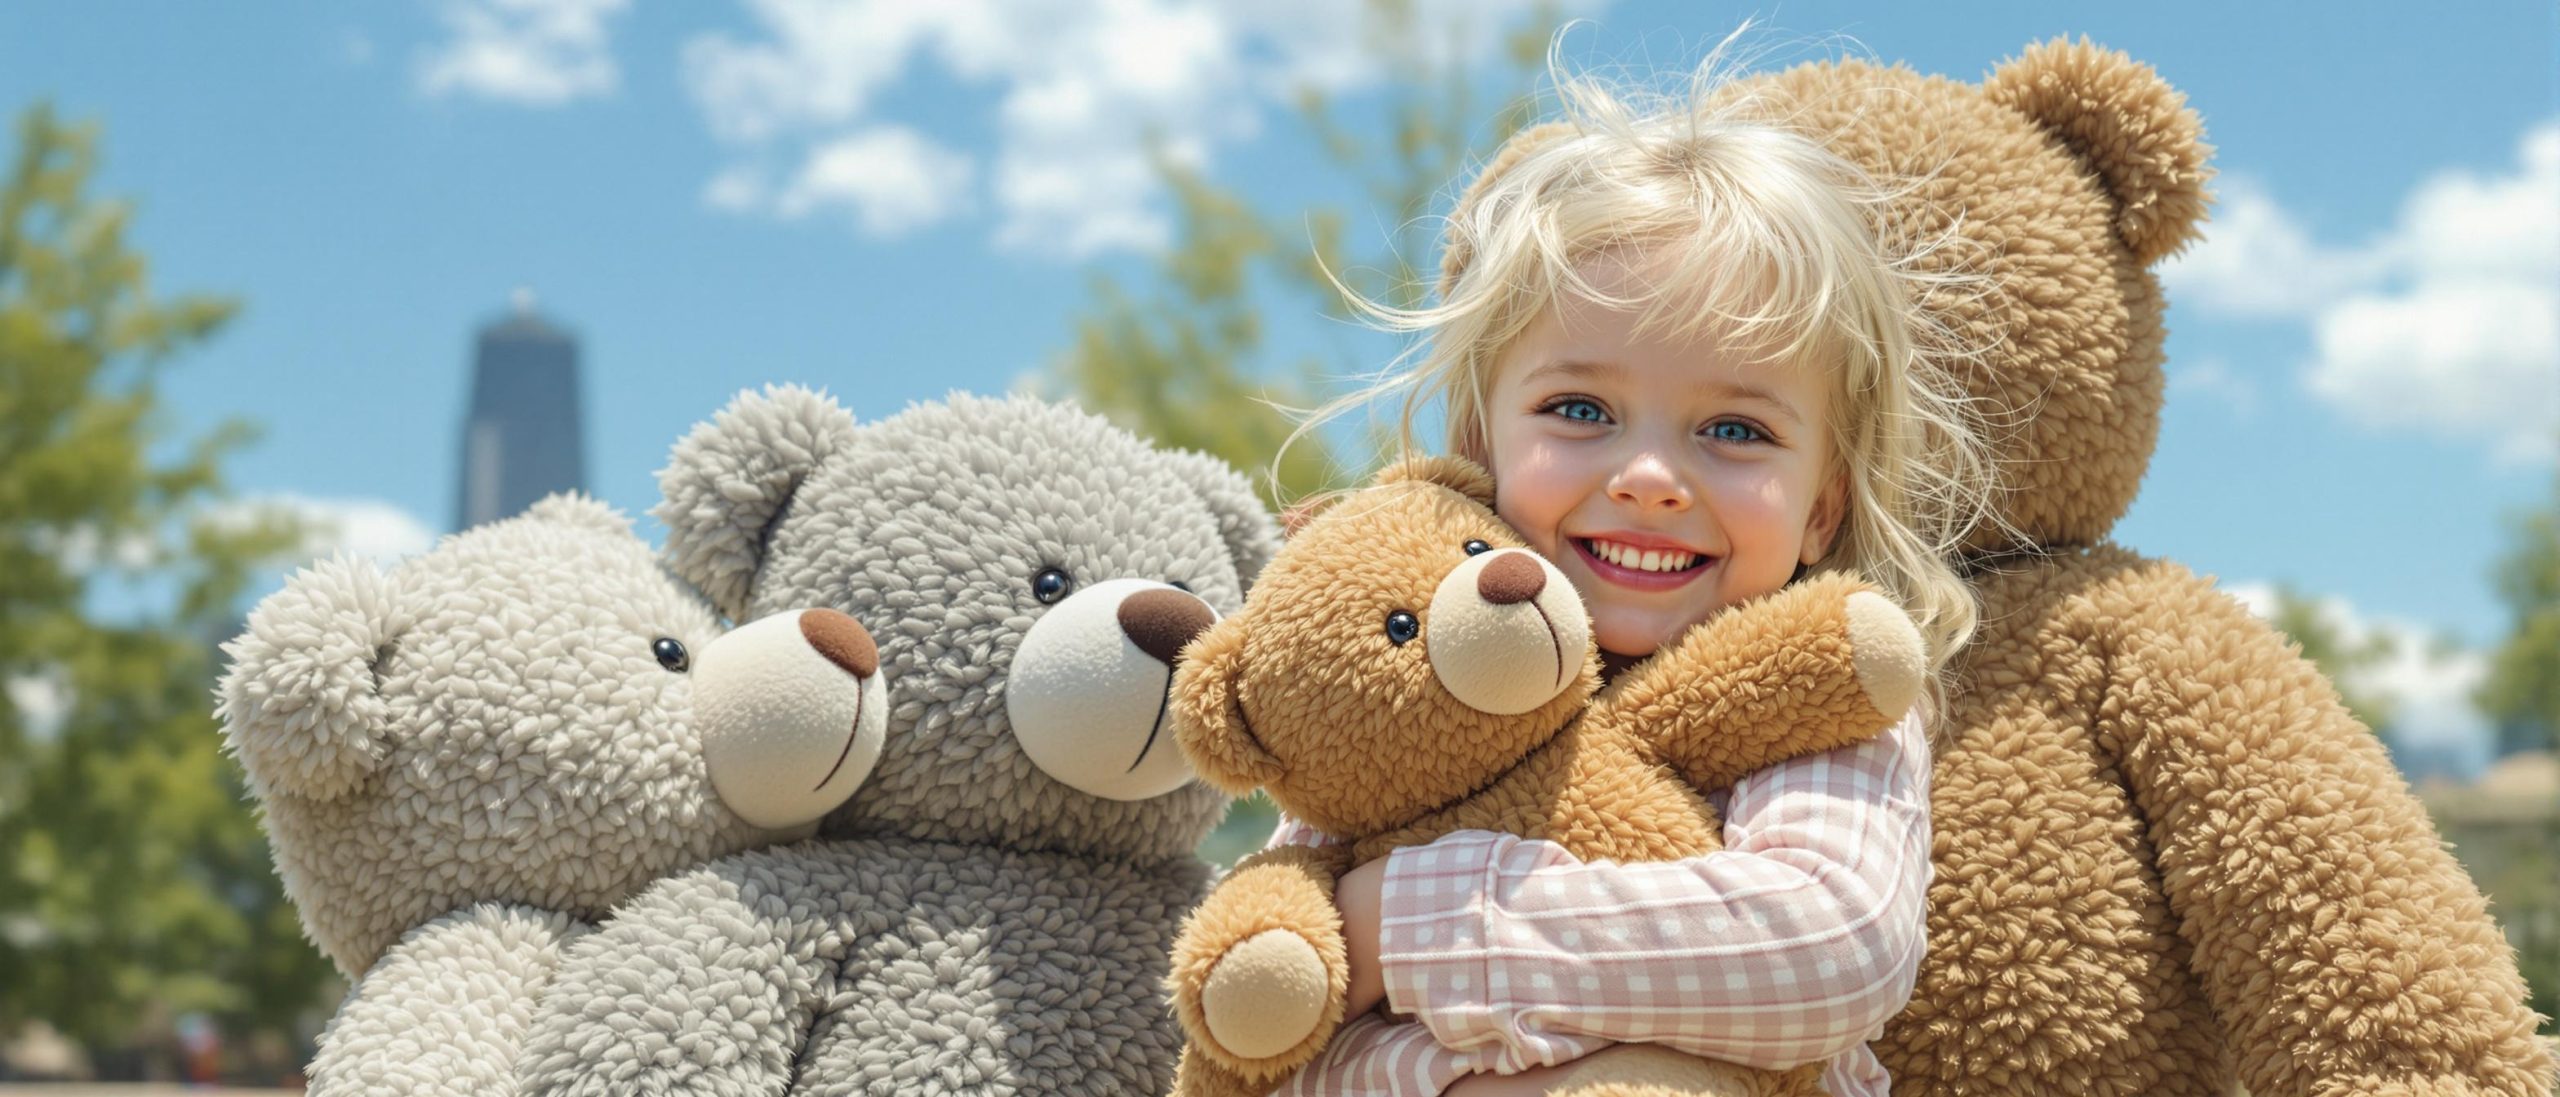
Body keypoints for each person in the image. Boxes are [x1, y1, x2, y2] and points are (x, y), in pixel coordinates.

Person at [1264, 42, 2002, 1097]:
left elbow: (1828, 947)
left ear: (1821, 504)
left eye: (1735, 428)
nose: (1651, 476)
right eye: (1579, 410)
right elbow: (1280, 1019)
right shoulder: (1389, 677)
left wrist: (1397, 925)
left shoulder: (1831, 685)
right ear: (1481, 440)